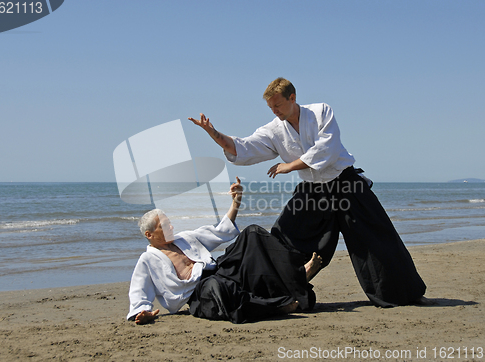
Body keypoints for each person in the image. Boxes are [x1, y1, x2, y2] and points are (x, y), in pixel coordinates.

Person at [189, 78, 427, 308]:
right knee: (284, 237)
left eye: (278, 105)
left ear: (292, 98)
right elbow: (243, 147)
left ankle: (406, 295)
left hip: (345, 183)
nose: (275, 111)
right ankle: (282, 290)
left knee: (377, 237)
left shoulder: (321, 112)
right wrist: (215, 134)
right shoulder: (274, 130)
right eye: (271, 107)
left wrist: (289, 166)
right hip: (312, 191)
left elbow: (328, 148)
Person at [127, 177, 321, 325]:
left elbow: (220, 231)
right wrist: (142, 312)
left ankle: (297, 274)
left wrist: (236, 202)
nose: (171, 226)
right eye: (165, 225)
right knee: (218, 287)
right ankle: (278, 307)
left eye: (169, 222)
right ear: (149, 234)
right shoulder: (147, 259)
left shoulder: (185, 238)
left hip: (218, 270)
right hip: (198, 291)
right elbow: (139, 289)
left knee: (252, 233)